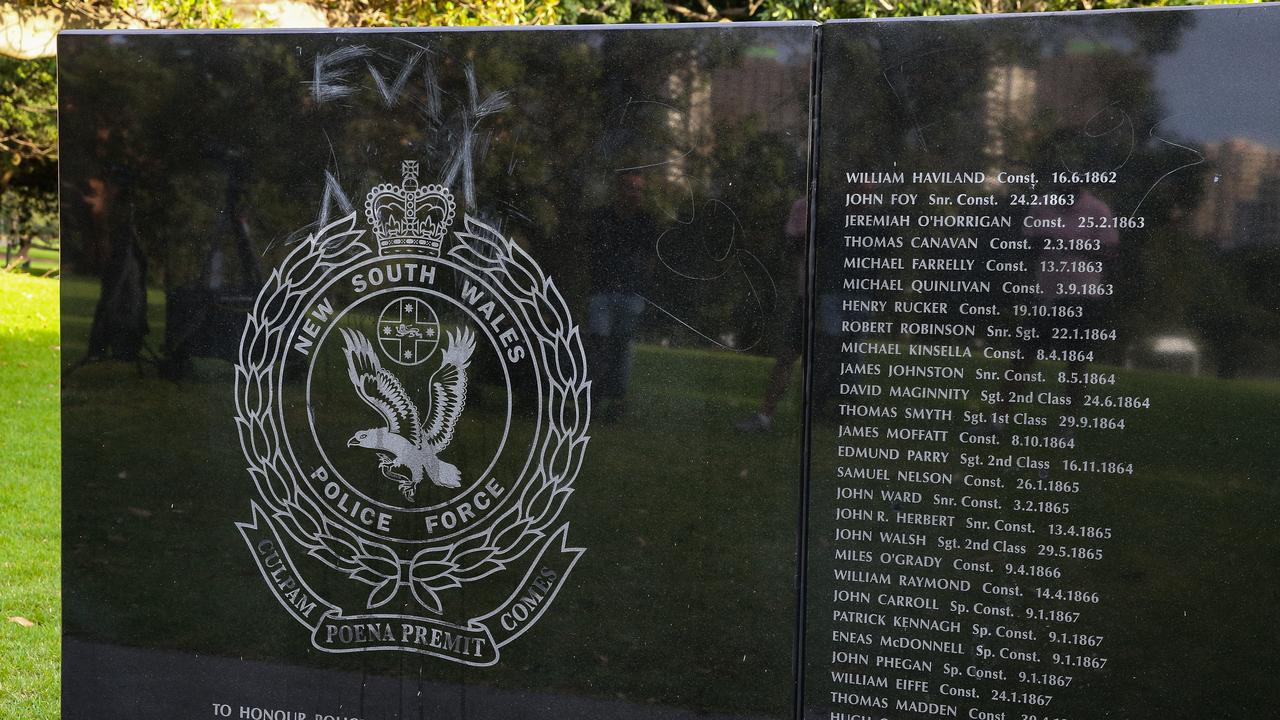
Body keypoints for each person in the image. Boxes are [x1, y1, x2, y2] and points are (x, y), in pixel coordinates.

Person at [586, 171, 656, 420]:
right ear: (619, 190)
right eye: (630, 188)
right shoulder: (601, 218)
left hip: (630, 294)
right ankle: (593, 400)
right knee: (598, 346)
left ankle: (616, 402)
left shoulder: (647, 222)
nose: (635, 194)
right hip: (603, 292)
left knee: (622, 349)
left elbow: (650, 260)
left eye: (639, 189)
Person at [736, 198, 808, 432]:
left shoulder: (839, 208)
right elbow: (793, 245)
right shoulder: (803, 207)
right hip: (805, 297)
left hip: (829, 296)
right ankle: (765, 416)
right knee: (786, 357)